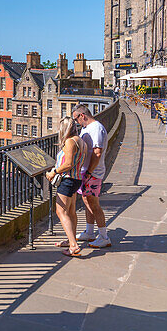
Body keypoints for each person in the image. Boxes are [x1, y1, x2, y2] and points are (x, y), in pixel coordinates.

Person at [73, 103, 112, 248]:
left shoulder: (96, 128)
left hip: (93, 173)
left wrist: (89, 172)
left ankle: (104, 236)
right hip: (86, 171)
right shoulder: (87, 128)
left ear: (82, 115)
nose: (76, 122)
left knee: (94, 204)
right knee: (87, 201)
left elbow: (97, 153)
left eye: (76, 119)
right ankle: (89, 232)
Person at [49, 117, 89, 257]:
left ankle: (73, 245)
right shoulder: (81, 141)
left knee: (61, 212)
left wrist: (53, 172)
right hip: (77, 179)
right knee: (71, 211)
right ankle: (70, 239)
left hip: (68, 180)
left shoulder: (69, 142)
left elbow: (68, 164)